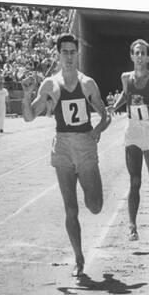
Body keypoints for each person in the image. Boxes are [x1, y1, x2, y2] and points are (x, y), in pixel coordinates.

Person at [21, 33, 111, 277]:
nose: (69, 57)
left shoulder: (88, 84)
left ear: (77, 54)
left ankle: (88, 185)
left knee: (95, 206)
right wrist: (27, 93)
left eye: (73, 52)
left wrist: (97, 130)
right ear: (58, 55)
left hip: (84, 145)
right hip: (61, 146)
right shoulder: (50, 85)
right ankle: (79, 258)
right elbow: (29, 116)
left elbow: (105, 115)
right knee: (70, 209)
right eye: (65, 53)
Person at [108, 39, 149, 241]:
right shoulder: (125, 77)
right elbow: (125, 94)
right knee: (135, 180)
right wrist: (115, 106)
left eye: (142, 53)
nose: (139, 56)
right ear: (131, 56)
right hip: (133, 130)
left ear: (148, 57)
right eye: (136, 52)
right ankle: (132, 226)